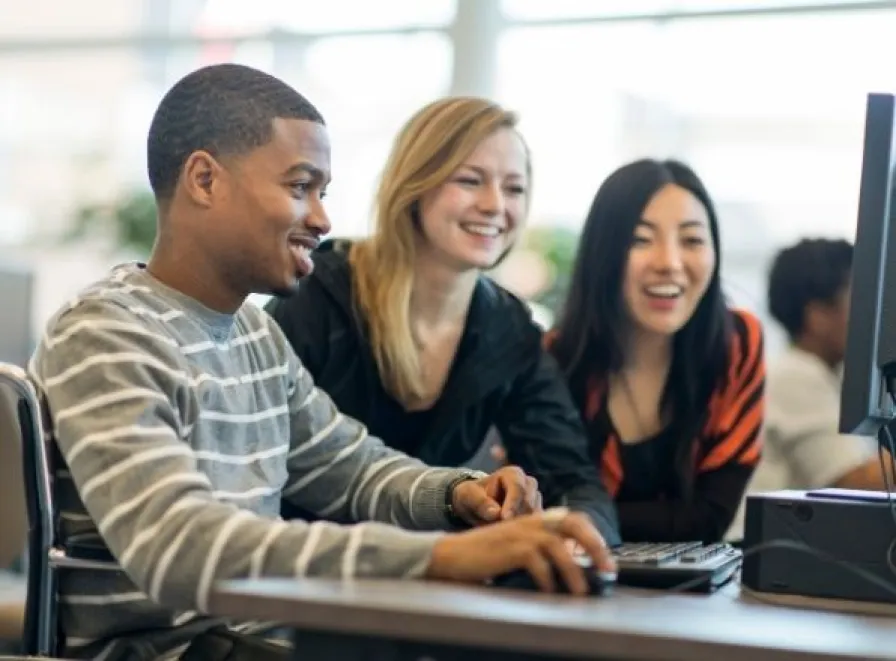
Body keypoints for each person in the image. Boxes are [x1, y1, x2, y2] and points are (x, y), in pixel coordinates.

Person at [28, 64, 614, 661]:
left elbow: (353, 470)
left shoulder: (256, 334)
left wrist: (460, 493)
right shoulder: (105, 333)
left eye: (323, 193)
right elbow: (177, 546)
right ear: (204, 180)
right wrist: (441, 556)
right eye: (299, 187)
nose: (322, 219)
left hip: (261, 641)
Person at [265, 96, 620, 545]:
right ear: (415, 186)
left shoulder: (508, 328)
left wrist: (580, 537)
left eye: (514, 189)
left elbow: (572, 479)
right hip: (305, 567)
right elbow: (258, 466)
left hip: (431, 574)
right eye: (470, 180)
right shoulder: (318, 296)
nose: (495, 205)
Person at [547, 159, 766, 544]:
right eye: (640, 239)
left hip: (694, 580)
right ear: (603, 253)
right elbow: (546, 508)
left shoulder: (737, 343)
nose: (669, 263)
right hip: (573, 575)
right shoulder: (554, 360)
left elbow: (710, 518)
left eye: (692, 240)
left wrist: (584, 517)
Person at [730, 239, 887, 537]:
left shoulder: (823, 374)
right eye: (860, 301)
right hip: (751, 551)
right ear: (817, 316)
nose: (873, 316)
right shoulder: (796, 374)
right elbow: (858, 481)